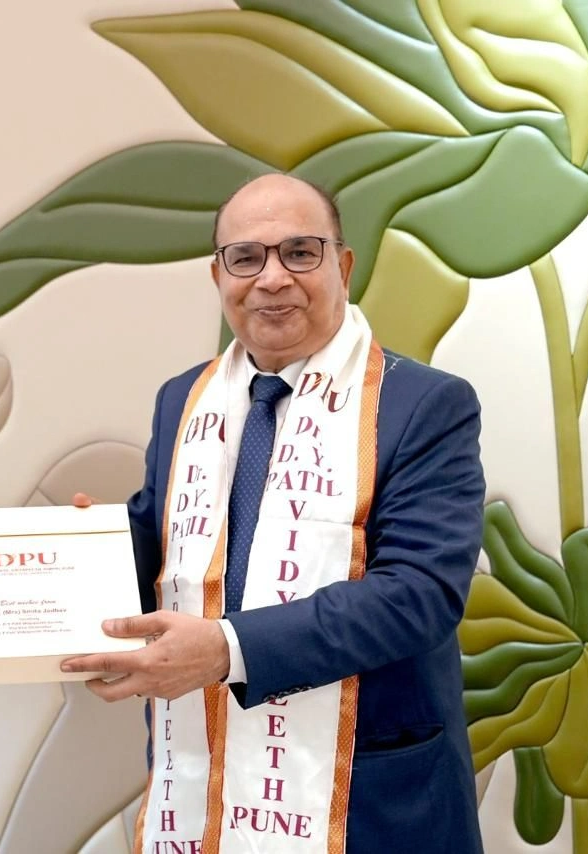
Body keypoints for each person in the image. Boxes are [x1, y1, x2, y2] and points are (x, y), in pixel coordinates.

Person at [62, 174, 485, 852]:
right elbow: (161, 544)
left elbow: (419, 594)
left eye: (300, 252)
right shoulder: (183, 399)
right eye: (246, 258)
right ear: (219, 275)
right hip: (207, 778)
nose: (272, 277)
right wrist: (82, 554)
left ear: (343, 266)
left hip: (367, 799)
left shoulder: (423, 404)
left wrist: (226, 650)